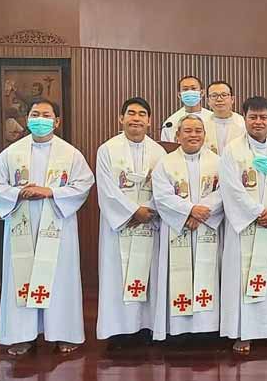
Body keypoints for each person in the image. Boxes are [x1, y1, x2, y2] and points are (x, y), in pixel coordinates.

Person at [0, 99, 94, 355]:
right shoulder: (11, 153)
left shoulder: (70, 154)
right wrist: (18, 193)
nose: (40, 119)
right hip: (22, 224)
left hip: (57, 223)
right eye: (35, 114)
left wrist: (50, 192)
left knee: (59, 278)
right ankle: (22, 335)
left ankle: (63, 333)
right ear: (27, 119)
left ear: (57, 122)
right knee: (22, 277)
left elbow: (84, 184)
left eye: (46, 115)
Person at [219, 97, 267, 353]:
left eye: (263, 117)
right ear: (245, 118)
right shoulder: (232, 150)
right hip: (246, 227)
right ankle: (243, 332)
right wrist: (258, 212)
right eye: (253, 117)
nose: (258, 122)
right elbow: (231, 189)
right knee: (243, 280)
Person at [96, 97, 167, 348]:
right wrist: (133, 211)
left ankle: (147, 326)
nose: (136, 118)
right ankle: (118, 330)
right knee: (117, 275)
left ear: (149, 120)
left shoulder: (159, 152)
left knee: (148, 274)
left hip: (149, 222)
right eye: (131, 113)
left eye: (141, 114)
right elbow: (106, 189)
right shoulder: (107, 150)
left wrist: (149, 210)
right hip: (121, 225)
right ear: (121, 118)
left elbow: (165, 188)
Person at [151, 114, 224, 342]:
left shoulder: (218, 162)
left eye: (198, 131)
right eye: (188, 131)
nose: (193, 135)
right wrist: (190, 211)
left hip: (207, 227)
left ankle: (209, 328)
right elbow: (161, 196)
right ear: (177, 135)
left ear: (205, 134)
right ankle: (178, 330)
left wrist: (200, 213)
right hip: (178, 229)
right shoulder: (165, 163)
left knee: (207, 274)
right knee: (178, 275)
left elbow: (225, 192)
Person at [161, 75, 213, 143]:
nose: (190, 92)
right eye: (185, 89)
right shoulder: (171, 123)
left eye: (193, 88)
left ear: (202, 93)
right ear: (179, 95)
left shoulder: (213, 118)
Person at [203, 81, 245, 155]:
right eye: (214, 96)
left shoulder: (243, 123)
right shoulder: (202, 124)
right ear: (208, 101)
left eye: (224, 95)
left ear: (232, 99)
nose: (219, 99)